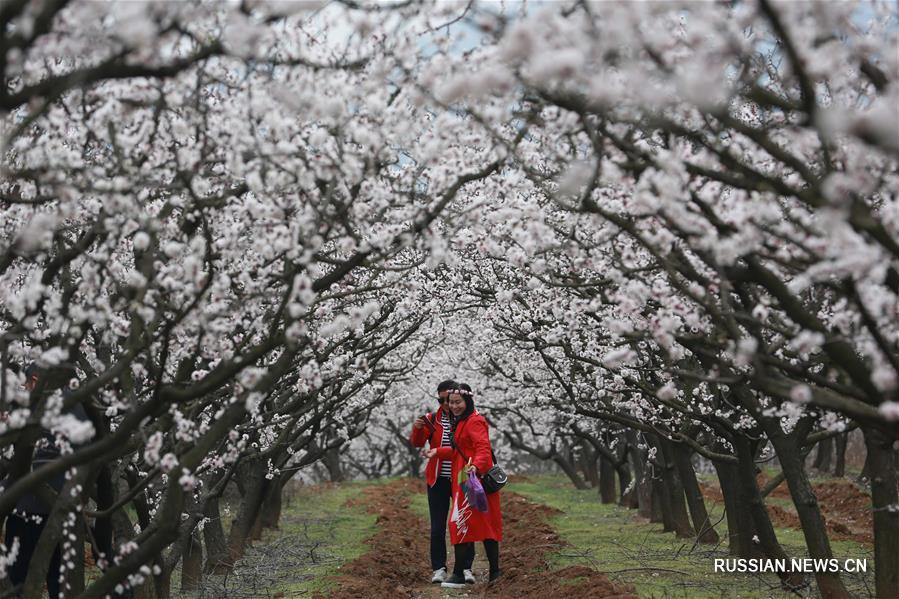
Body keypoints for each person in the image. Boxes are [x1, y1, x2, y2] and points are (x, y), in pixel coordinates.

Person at [425, 384, 502, 588]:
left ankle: (462, 573)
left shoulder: (475, 421)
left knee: (463, 520)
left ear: (468, 401)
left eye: (458, 402)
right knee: (468, 522)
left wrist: (475, 467)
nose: (454, 406)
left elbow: (483, 449)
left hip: (471, 478)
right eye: (451, 402)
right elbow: (460, 449)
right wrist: (437, 452)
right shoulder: (462, 421)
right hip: (464, 476)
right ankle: (491, 572)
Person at [409, 379, 466, 584]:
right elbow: (416, 443)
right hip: (438, 479)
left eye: (448, 399)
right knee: (437, 526)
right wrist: (417, 429)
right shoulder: (431, 419)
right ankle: (439, 568)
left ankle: (465, 567)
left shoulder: (466, 419)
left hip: (461, 478)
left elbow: (465, 449)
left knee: (462, 523)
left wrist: (439, 452)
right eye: (440, 399)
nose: (445, 403)